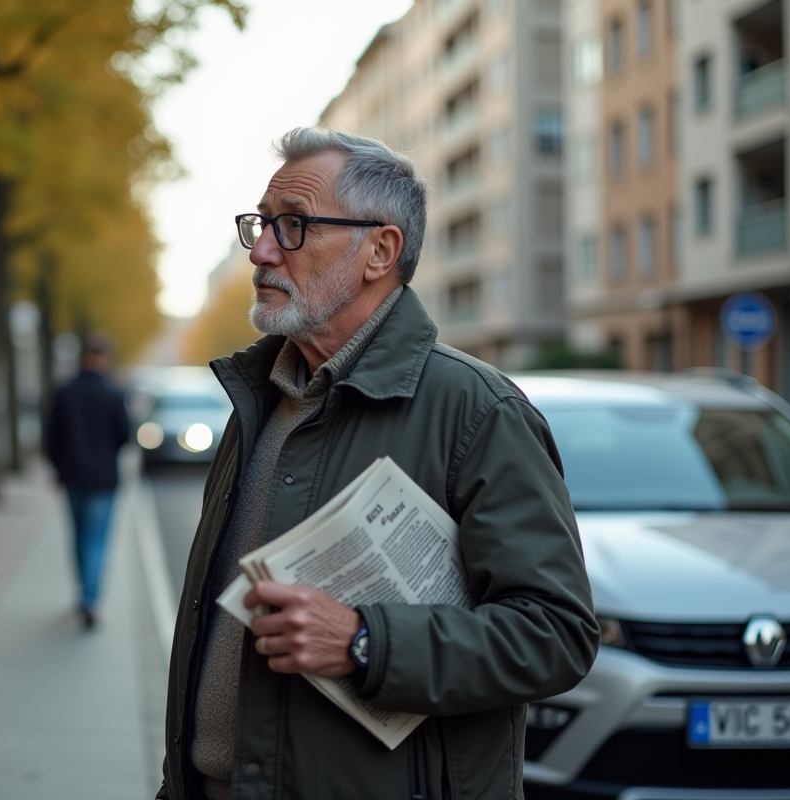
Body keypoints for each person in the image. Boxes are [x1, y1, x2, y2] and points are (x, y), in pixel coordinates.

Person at [157, 129, 598, 800]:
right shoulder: (259, 400)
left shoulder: (478, 411)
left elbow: (555, 635)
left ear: (380, 251)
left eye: (294, 227)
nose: (264, 252)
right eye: (261, 226)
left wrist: (368, 643)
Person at [46, 334, 130, 629]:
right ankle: (90, 599)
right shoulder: (113, 393)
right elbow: (125, 436)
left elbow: (51, 435)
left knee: (79, 537)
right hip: (103, 478)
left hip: (72, 476)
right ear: (104, 359)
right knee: (97, 540)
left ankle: (83, 595)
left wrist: (58, 466)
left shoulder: (65, 391)